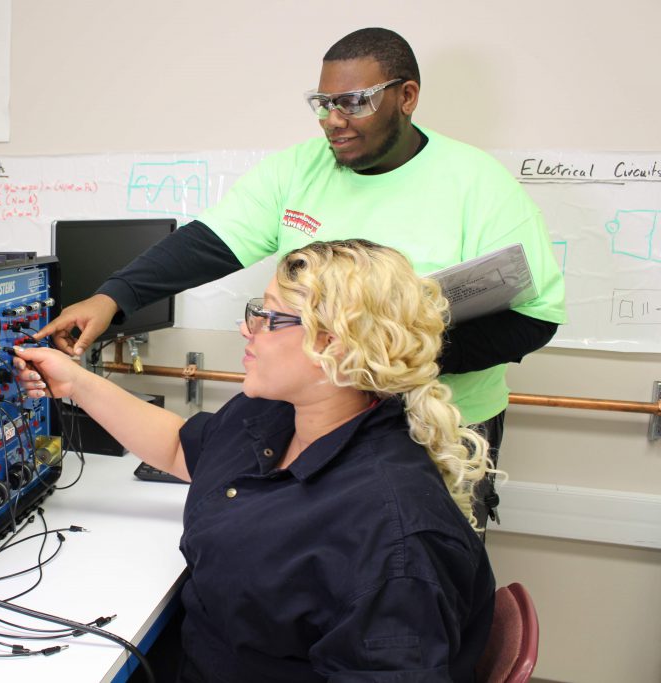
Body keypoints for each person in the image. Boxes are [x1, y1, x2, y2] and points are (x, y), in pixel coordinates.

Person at [35, 27, 566, 528]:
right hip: (319, 422)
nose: (334, 119)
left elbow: (532, 320)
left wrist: (375, 358)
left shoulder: (479, 185)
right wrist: (113, 299)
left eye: (354, 102)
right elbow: (206, 244)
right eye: (324, 103)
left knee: (416, 565)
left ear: (407, 97)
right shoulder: (299, 170)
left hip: (439, 427)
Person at [15, 239, 497, 682]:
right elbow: (181, 449)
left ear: (333, 343)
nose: (247, 328)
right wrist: (75, 382)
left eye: (269, 317)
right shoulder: (277, 411)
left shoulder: (393, 538)